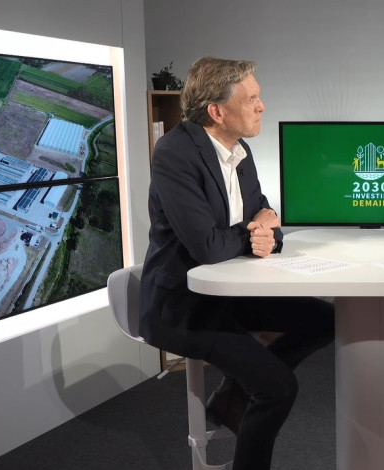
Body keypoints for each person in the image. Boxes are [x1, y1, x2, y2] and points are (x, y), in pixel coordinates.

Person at [139, 56, 335, 470]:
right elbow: (208, 246)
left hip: (230, 294)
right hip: (182, 305)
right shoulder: (175, 152)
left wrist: (267, 232)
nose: (262, 106)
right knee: (278, 388)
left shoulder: (240, 150)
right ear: (217, 111)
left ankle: (232, 394)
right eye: (251, 99)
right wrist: (254, 233)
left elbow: (266, 218)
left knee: (327, 319)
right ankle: (244, 402)